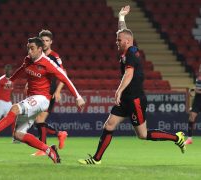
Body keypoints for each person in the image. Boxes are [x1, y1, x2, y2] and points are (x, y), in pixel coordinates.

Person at [78, 5, 186, 165]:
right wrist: (121, 17)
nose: (116, 42)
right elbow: (124, 32)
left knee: (142, 135)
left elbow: (129, 74)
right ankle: (96, 159)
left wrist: (119, 91)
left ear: (127, 42)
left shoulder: (131, 55)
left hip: (135, 99)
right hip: (127, 99)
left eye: (119, 40)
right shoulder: (127, 48)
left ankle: (177, 137)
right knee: (109, 124)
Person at [0, 37, 85, 164]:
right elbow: (21, 69)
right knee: (18, 134)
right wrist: (12, 80)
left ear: (40, 49)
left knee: (15, 108)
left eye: (32, 49)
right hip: (32, 98)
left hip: (42, 99)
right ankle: (49, 150)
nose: (29, 52)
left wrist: (78, 97)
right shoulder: (28, 60)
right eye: (28, 49)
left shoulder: (48, 63)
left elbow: (65, 78)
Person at [23, 30, 68, 156]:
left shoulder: (55, 57)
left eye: (47, 40)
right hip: (38, 91)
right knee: (38, 121)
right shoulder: (36, 55)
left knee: (39, 120)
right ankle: (59, 134)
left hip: (49, 91)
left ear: (51, 42)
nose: (45, 43)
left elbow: (64, 75)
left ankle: (43, 149)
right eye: (42, 40)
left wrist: (58, 91)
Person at [185, 64, 201, 144]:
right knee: (191, 117)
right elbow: (197, 90)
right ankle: (189, 139)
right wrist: (193, 90)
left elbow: (197, 90)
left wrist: (195, 90)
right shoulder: (198, 78)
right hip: (198, 101)